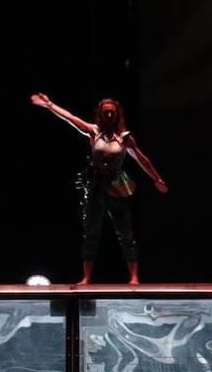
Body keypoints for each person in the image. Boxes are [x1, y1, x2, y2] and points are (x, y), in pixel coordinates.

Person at [30, 92, 168, 284]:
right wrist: (50, 104)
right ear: (101, 115)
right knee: (91, 231)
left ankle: (134, 277)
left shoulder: (125, 137)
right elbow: (71, 118)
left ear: (117, 115)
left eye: (112, 112)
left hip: (118, 186)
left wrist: (156, 178)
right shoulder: (94, 132)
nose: (109, 116)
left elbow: (141, 159)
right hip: (96, 186)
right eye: (106, 113)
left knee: (125, 232)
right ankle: (86, 277)